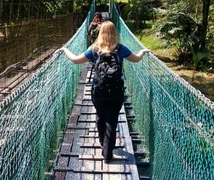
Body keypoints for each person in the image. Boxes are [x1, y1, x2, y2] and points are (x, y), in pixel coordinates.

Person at [60, 21, 149, 163]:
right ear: (115, 33)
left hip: (98, 91)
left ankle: (103, 143)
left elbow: (76, 60)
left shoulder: (94, 49)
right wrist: (142, 52)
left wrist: (65, 50)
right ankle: (107, 152)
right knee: (112, 121)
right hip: (116, 91)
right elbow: (136, 59)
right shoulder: (121, 49)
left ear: (100, 32)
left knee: (100, 117)